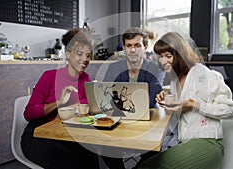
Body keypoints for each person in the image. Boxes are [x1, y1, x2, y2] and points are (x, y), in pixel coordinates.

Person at [135, 32, 233, 169]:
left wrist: (192, 104)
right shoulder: (175, 79)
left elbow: (232, 110)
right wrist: (166, 101)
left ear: (180, 55)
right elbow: (181, 113)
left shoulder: (203, 74)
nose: (163, 61)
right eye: (160, 56)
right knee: (144, 164)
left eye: (168, 56)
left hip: (208, 143)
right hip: (185, 142)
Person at [21, 28, 99, 169]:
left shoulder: (85, 78)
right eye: (79, 54)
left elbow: (85, 109)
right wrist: (59, 103)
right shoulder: (49, 76)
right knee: (70, 164)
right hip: (39, 134)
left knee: (91, 158)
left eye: (88, 55)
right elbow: (28, 113)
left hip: (66, 134)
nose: (85, 59)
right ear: (67, 54)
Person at [102, 27, 165, 108]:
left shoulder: (156, 69)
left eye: (137, 46)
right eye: (129, 46)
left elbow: (151, 100)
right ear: (124, 48)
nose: (132, 50)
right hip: (119, 113)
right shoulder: (113, 68)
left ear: (145, 48)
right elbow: (105, 94)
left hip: (148, 113)